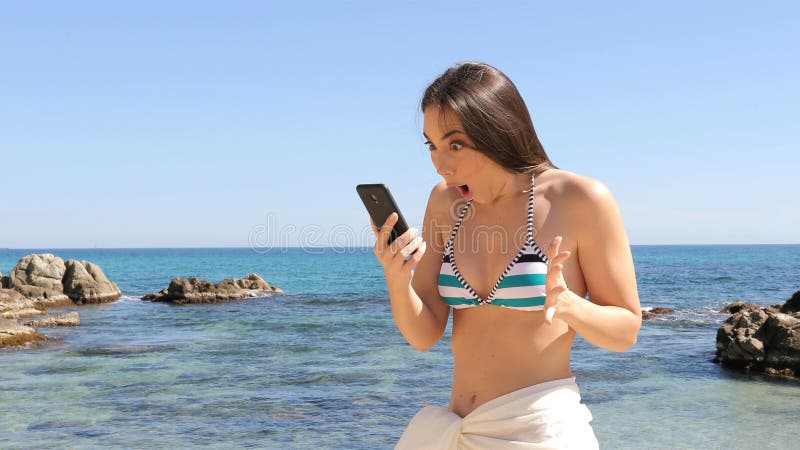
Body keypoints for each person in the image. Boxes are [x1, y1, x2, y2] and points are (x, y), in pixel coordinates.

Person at [369, 62, 642, 449]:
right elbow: (424, 334)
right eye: (431, 144)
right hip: (458, 432)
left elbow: (627, 330)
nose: (440, 163)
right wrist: (397, 282)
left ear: (498, 131)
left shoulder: (581, 200)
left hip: (540, 431)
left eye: (455, 144)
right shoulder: (446, 204)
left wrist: (570, 308)